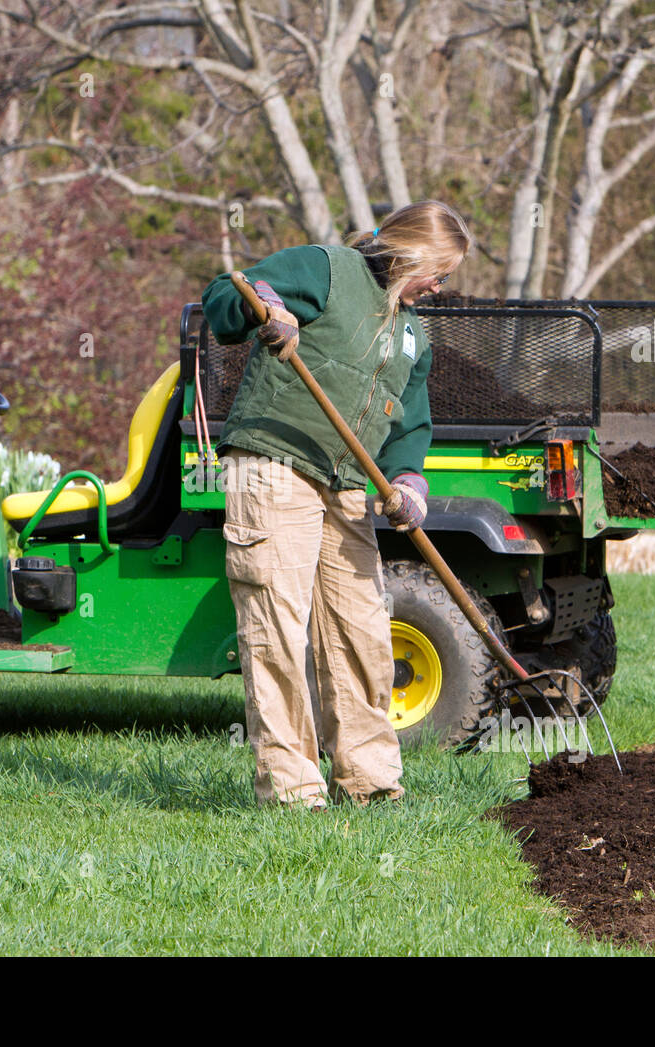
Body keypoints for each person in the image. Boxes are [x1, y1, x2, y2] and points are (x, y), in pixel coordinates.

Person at [200, 200, 474, 810]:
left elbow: (410, 425)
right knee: (278, 630)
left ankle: (369, 781)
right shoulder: (328, 269)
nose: (439, 288)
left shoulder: (412, 336)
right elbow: (229, 293)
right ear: (414, 256)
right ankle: (293, 792)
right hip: (275, 466)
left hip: (348, 485)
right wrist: (269, 311)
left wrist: (407, 485)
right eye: (440, 273)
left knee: (362, 631)